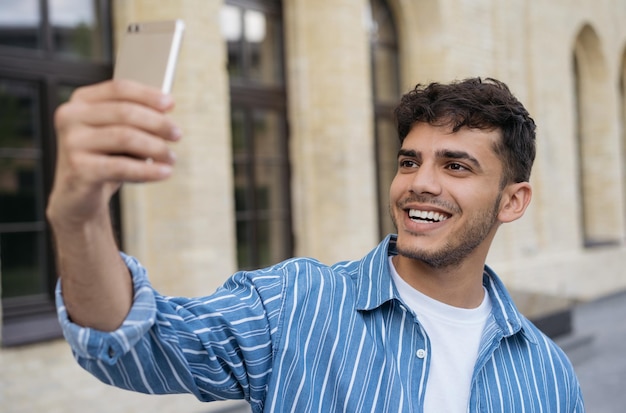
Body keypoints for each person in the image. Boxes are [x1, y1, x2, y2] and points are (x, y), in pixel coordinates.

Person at [48, 77, 584, 412]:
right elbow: (133, 347)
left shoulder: (548, 375)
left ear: (512, 202)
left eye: (456, 166)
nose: (420, 182)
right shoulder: (296, 300)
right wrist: (81, 217)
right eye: (409, 161)